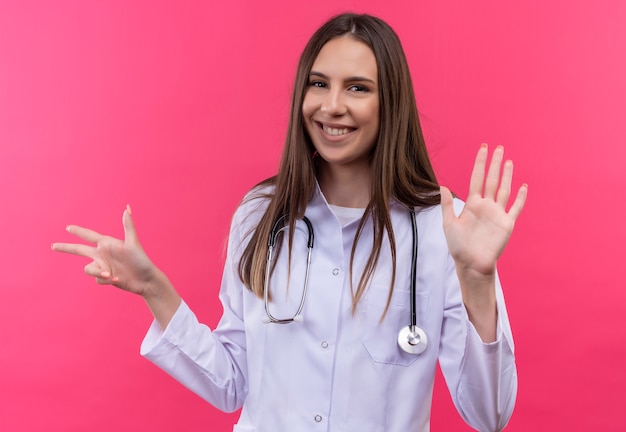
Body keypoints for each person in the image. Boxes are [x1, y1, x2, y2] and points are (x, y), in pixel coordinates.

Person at [52, 13, 527, 432]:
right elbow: (231, 383)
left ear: (391, 103)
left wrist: (478, 281)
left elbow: (489, 416)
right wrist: (155, 290)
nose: (331, 106)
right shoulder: (260, 213)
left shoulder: (442, 230)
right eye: (318, 84)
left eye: (357, 88)